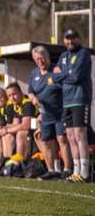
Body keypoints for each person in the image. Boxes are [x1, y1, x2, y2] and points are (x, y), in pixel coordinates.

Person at [28, 45, 72, 180]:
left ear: (47, 57)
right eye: (37, 59)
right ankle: (53, 170)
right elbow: (30, 91)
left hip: (60, 112)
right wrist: (33, 98)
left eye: (42, 58)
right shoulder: (34, 73)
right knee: (47, 141)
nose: (40, 62)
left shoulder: (56, 70)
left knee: (61, 139)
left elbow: (66, 88)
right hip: (45, 113)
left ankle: (67, 169)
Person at [53, 29, 92, 182]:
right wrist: (65, 73)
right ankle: (75, 171)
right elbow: (54, 77)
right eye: (67, 39)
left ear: (77, 39)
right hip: (66, 100)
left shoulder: (83, 54)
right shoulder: (63, 56)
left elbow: (76, 76)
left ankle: (84, 172)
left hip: (80, 98)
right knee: (69, 136)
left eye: (72, 38)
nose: (69, 41)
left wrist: (62, 74)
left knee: (79, 134)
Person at [0, 83, 36, 160]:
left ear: (21, 92)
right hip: (29, 129)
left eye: (14, 94)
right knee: (7, 136)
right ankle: (8, 162)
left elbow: (26, 125)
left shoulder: (27, 103)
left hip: (38, 129)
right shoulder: (16, 105)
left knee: (20, 133)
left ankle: (19, 162)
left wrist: (6, 130)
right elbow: (15, 124)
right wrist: (2, 129)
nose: (12, 98)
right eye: (9, 96)